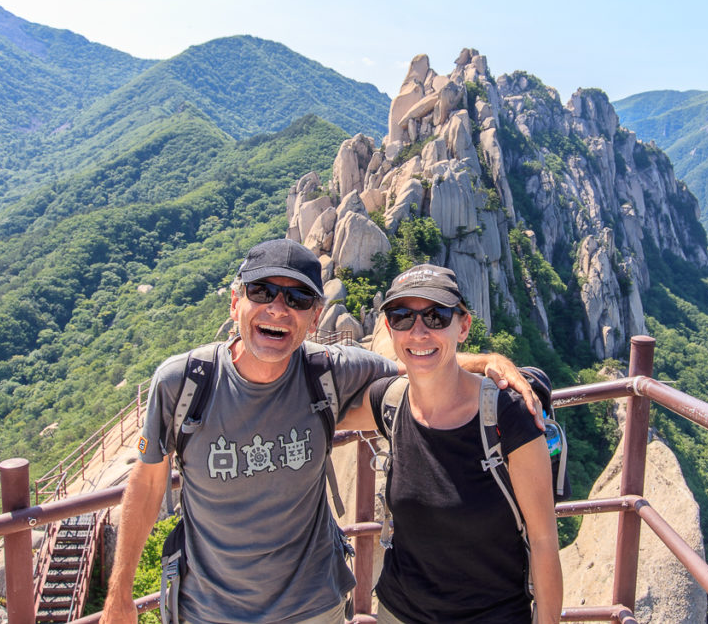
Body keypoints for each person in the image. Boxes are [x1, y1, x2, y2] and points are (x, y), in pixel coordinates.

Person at [103, 239, 536, 624]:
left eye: (296, 299)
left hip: (315, 607)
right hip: (208, 610)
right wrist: (120, 592)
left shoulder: (326, 373)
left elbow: (421, 361)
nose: (278, 308)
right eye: (262, 291)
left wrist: (484, 361)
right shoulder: (182, 383)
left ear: (314, 317)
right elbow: (148, 481)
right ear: (235, 302)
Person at [341, 265, 563, 624]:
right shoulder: (390, 401)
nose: (418, 330)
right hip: (399, 612)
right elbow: (321, 415)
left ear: (463, 326)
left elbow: (543, 542)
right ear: (388, 329)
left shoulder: (507, 417)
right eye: (402, 317)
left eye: (435, 316)